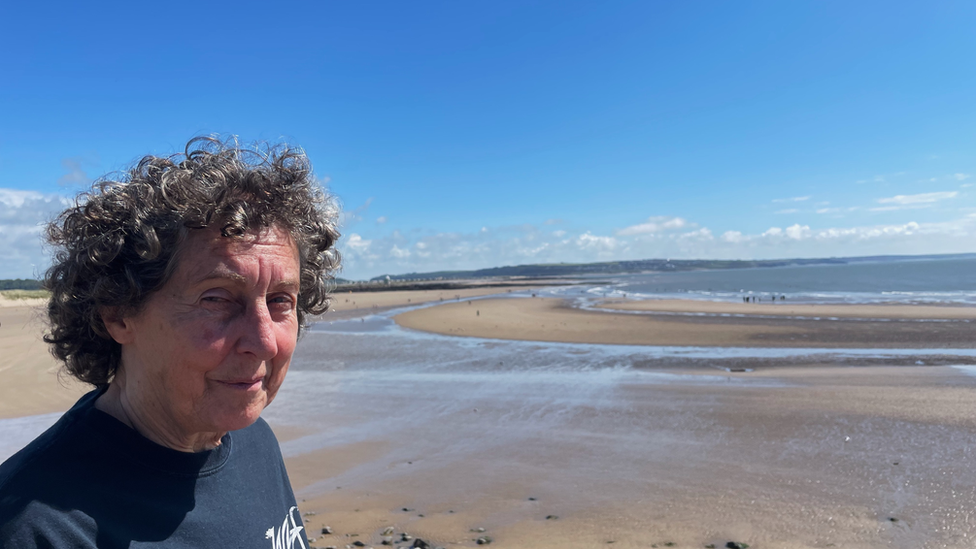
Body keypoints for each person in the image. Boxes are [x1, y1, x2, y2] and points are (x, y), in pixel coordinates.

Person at [0, 137, 340, 548]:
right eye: (216, 299)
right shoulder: (39, 529)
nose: (265, 342)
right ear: (118, 313)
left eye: (280, 301)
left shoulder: (253, 439)